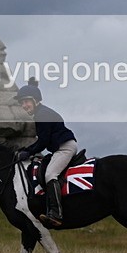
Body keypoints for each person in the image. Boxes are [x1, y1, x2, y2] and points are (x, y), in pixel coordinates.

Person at [15, 78, 78, 227]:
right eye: (22, 103)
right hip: (58, 148)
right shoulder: (40, 114)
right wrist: (27, 150)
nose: (24, 105)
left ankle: (56, 213)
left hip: (65, 147)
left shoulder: (42, 115)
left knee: (50, 174)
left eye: (26, 102)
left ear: (35, 100)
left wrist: (27, 152)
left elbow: (43, 141)